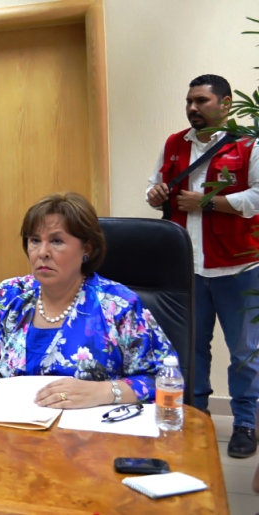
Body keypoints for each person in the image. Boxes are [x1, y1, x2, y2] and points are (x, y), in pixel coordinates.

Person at [0, 192, 178, 409]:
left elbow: (163, 379)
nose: (42, 252)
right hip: (14, 431)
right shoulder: (9, 295)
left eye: (56, 241)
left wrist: (103, 391)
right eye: (35, 240)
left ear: (87, 249)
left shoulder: (118, 305)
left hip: (91, 435)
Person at [146, 74, 259, 458]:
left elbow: (257, 197)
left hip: (238, 269)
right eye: (189, 101)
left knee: (244, 353)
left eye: (201, 101)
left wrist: (208, 203)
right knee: (190, 351)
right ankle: (196, 418)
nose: (192, 108)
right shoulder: (174, 143)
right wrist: (155, 193)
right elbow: (154, 186)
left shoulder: (249, 144)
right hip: (186, 270)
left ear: (226, 104)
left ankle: (245, 424)